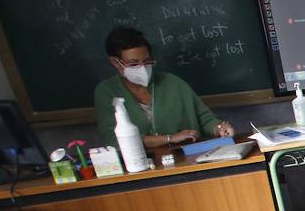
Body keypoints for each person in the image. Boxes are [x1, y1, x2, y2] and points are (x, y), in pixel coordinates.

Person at [93, 27, 232, 149]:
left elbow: (205, 119)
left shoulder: (173, 83)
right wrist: (169, 138)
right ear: (115, 62)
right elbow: (113, 141)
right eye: (133, 64)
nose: (142, 68)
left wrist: (220, 128)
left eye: (147, 62)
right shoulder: (107, 91)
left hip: (186, 158)